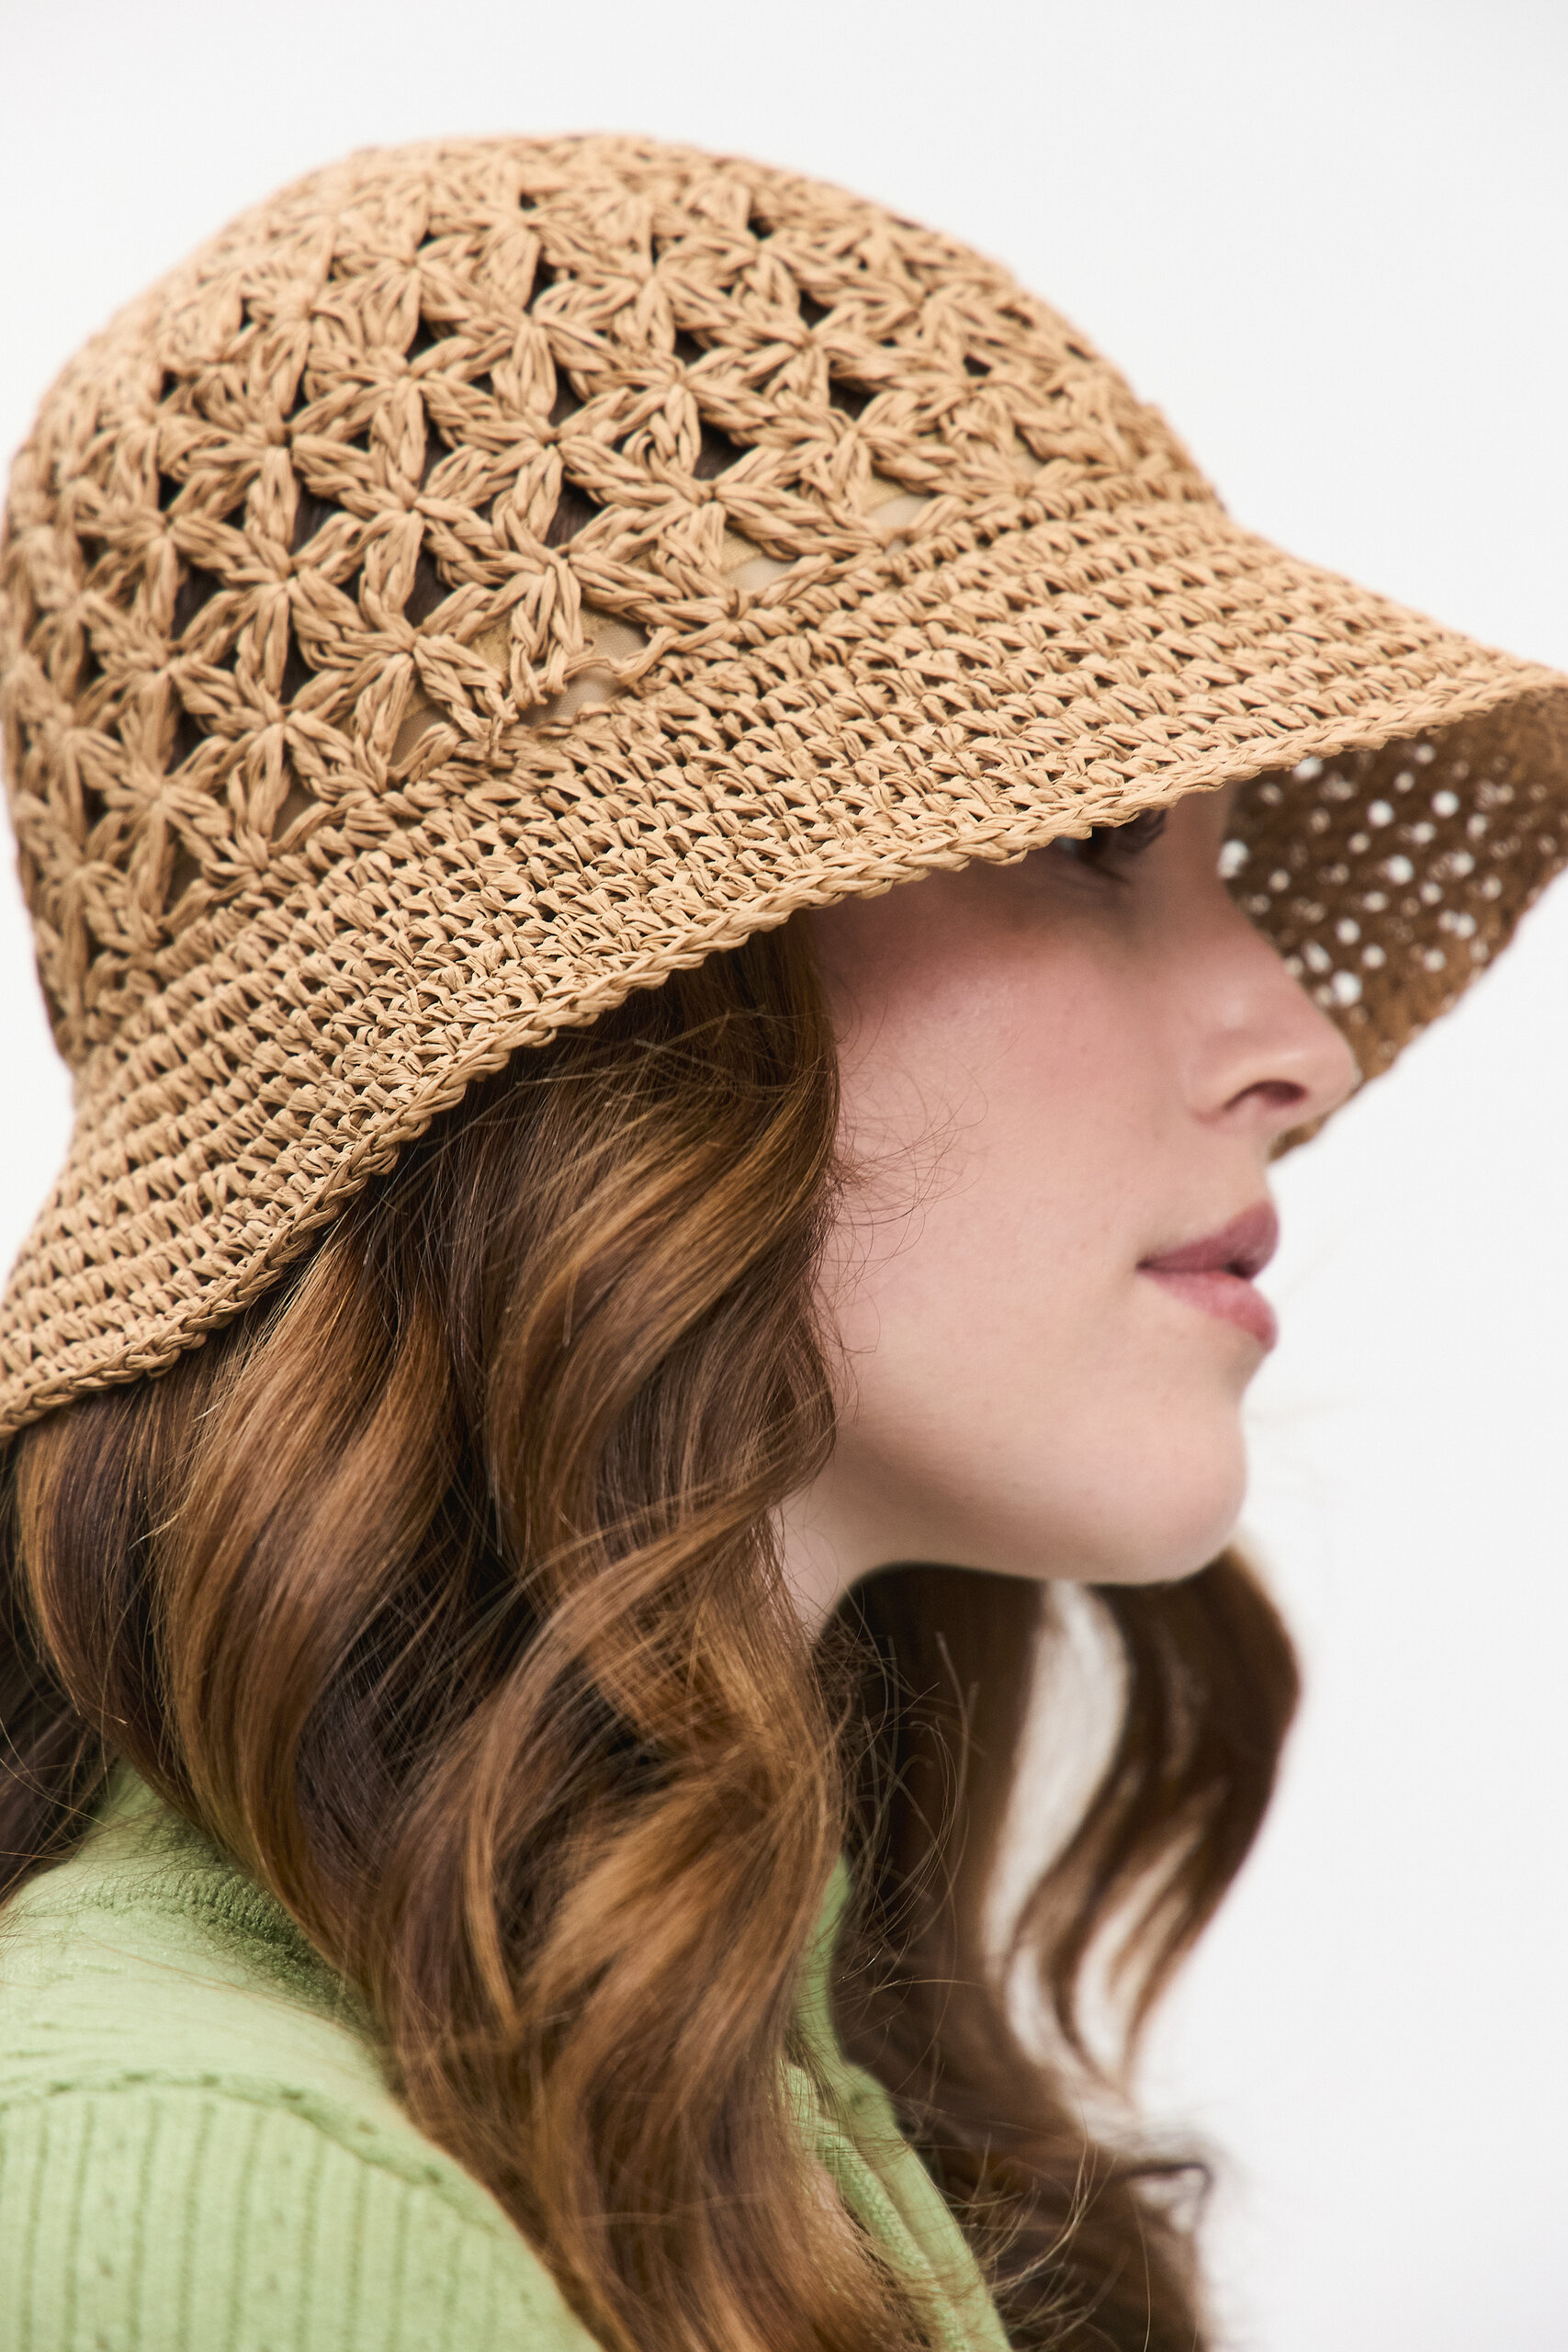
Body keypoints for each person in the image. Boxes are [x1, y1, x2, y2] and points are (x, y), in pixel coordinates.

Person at [0, 134, 1562, 2352]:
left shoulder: (740, 2121)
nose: (1298, 1044)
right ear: (609, 990)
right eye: (1096, 835)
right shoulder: (218, 2197)